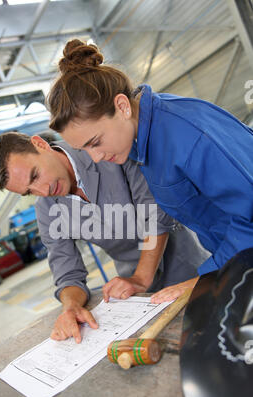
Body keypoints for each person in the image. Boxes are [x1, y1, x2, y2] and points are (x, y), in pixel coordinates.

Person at [46, 38, 253, 304]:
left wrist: (207, 278)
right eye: (84, 150)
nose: (96, 158)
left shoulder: (188, 136)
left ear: (121, 107)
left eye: (95, 142)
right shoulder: (143, 146)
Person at [0, 132, 208, 342]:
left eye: (35, 175)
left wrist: (141, 277)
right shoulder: (47, 208)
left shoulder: (101, 149)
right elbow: (67, 272)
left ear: (40, 144)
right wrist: (71, 306)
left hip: (185, 269)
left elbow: (154, 215)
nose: (43, 191)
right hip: (133, 293)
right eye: (29, 191)